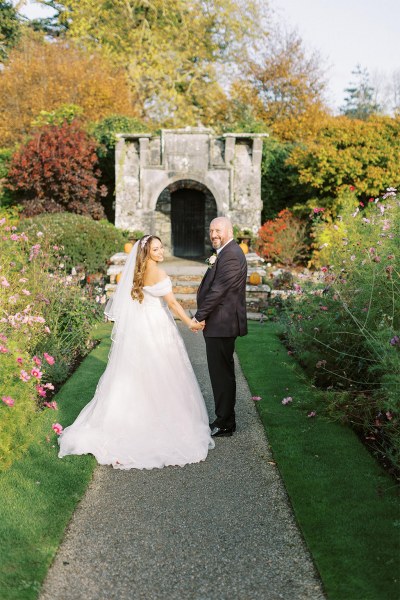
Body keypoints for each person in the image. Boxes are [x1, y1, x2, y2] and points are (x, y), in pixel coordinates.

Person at [58, 235, 214, 470]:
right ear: (148, 252)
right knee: (162, 371)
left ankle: (127, 418)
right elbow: (172, 304)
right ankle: (157, 421)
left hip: (140, 327)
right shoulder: (159, 274)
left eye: (161, 248)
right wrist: (190, 323)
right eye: (156, 249)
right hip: (156, 326)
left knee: (136, 372)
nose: (161, 252)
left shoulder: (137, 272)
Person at [193, 217, 248, 437]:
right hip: (219, 323)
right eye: (211, 230)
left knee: (221, 375)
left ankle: (225, 423)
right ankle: (225, 419)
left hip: (222, 323)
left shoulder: (232, 255)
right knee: (221, 374)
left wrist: (199, 316)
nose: (214, 234)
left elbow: (218, 291)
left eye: (218, 230)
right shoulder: (225, 253)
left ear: (229, 231)